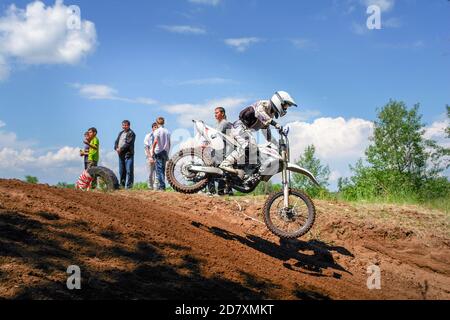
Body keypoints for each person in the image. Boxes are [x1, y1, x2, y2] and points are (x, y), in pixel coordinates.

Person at [219, 91, 298, 175]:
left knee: (257, 152)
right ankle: (226, 163)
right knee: (250, 144)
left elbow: (267, 134)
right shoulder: (265, 104)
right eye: (285, 106)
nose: (285, 108)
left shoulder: (269, 115)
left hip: (245, 130)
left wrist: (277, 146)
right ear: (279, 101)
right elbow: (259, 113)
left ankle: (244, 171)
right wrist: (275, 124)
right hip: (239, 127)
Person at [208, 107, 233, 196]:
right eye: (214, 113)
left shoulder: (224, 123)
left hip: (222, 151)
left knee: (215, 171)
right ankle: (219, 191)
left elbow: (216, 135)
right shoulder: (218, 124)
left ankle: (217, 191)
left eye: (217, 112)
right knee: (217, 171)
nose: (215, 114)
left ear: (222, 113)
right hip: (218, 150)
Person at [114, 120, 136, 189]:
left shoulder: (131, 133)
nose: (124, 126)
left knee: (129, 171)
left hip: (128, 155)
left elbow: (128, 144)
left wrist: (120, 149)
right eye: (123, 125)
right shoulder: (121, 133)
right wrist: (116, 148)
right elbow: (116, 141)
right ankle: (122, 186)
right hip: (120, 155)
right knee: (121, 171)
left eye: (126, 125)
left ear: (129, 125)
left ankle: (129, 187)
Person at [152, 117, 171, 191]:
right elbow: (169, 143)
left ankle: (162, 186)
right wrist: (168, 152)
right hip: (165, 151)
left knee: (159, 170)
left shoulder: (157, 131)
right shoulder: (167, 131)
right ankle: (162, 186)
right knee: (162, 169)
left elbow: (156, 141)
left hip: (158, 151)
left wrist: (152, 150)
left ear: (157, 123)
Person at [144, 122, 159, 190]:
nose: (156, 129)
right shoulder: (148, 136)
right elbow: (146, 147)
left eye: (157, 127)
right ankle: (150, 187)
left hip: (158, 156)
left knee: (157, 173)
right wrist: (150, 157)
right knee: (149, 173)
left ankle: (156, 188)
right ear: (152, 128)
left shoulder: (159, 136)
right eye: (155, 127)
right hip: (150, 156)